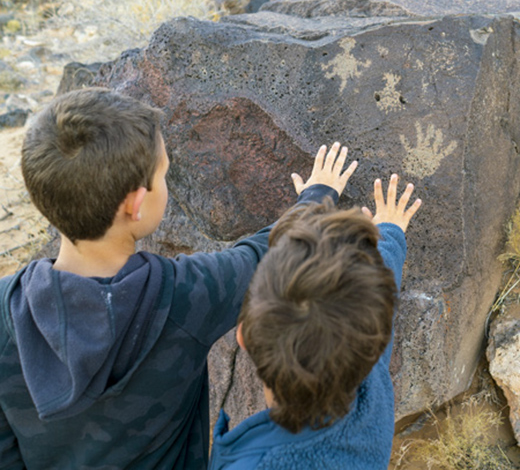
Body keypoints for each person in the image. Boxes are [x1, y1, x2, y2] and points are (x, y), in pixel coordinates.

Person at [0, 86, 358, 470]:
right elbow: (264, 256)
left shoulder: (5, 307)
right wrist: (318, 196)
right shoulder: (184, 296)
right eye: (164, 174)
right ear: (136, 204)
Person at [209, 174, 421, 470]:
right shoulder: (371, 391)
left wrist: (315, 199)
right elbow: (370, 308)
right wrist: (389, 234)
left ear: (242, 335)